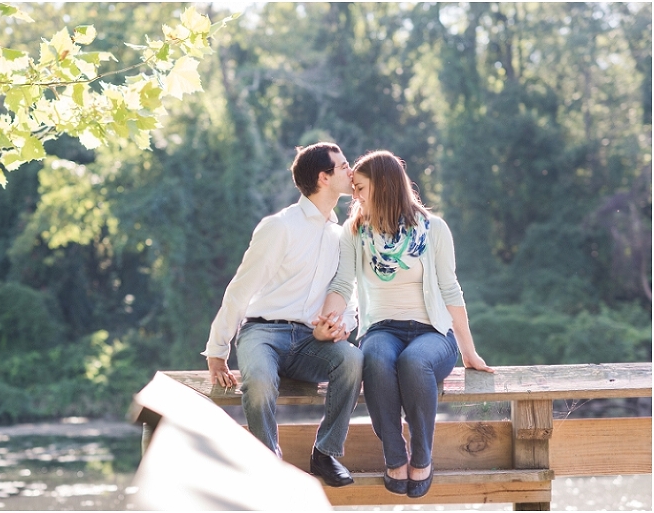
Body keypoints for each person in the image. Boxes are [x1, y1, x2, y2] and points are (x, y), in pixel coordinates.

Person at [321, 150, 493, 498]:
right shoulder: (355, 231)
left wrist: (468, 351)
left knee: (413, 362)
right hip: (382, 329)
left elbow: (450, 290)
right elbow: (342, 284)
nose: (355, 196)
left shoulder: (433, 229)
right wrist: (328, 319)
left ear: (384, 185)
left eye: (360, 188)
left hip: (432, 333)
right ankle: (395, 455)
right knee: (376, 359)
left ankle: (422, 455)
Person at [201, 142, 364, 487]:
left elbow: (347, 294)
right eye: (344, 166)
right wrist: (217, 350)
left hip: (310, 341)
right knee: (259, 381)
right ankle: (268, 463)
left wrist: (341, 327)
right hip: (263, 333)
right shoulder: (280, 226)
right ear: (323, 177)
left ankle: (325, 453)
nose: (351, 171)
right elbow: (241, 289)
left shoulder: (341, 236)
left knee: (352, 360)